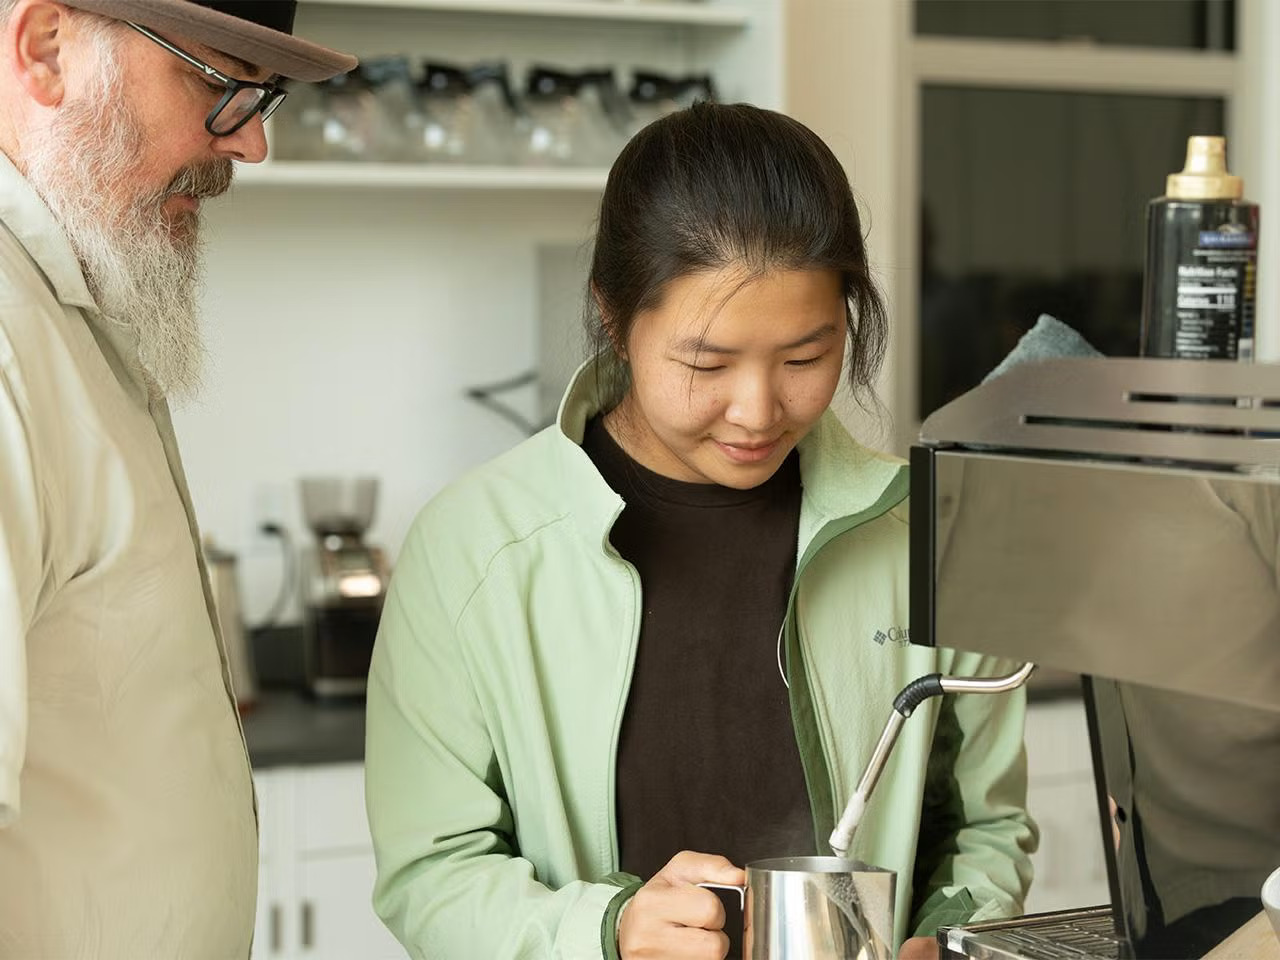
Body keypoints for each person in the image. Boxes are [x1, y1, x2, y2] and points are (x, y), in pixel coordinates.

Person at [365, 102, 1037, 960]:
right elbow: (431, 874)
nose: (758, 412)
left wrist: (945, 942)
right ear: (613, 317)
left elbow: (986, 826)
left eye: (806, 358)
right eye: (705, 364)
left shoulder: (927, 534)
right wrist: (607, 931)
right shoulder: (474, 549)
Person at [0, 2, 354, 955]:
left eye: (262, 95)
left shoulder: (71, 299)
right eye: (217, 81)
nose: (253, 144)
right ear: (45, 50)